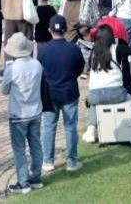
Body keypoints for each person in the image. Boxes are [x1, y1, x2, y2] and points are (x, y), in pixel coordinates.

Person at [37, 14, 84, 174]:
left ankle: (47, 161)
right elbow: (80, 68)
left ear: (50, 30)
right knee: (70, 127)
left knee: (48, 127)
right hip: (69, 91)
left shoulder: (43, 50)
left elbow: (40, 71)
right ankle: (72, 161)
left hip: (49, 93)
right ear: (65, 30)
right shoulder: (74, 49)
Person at [0, 31, 44, 193]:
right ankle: (36, 177)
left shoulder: (11, 68)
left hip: (18, 114)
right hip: (35, 112)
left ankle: (23, 182)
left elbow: (4, 90)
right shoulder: (37, 65)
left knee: (19, 150)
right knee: (36, 146)